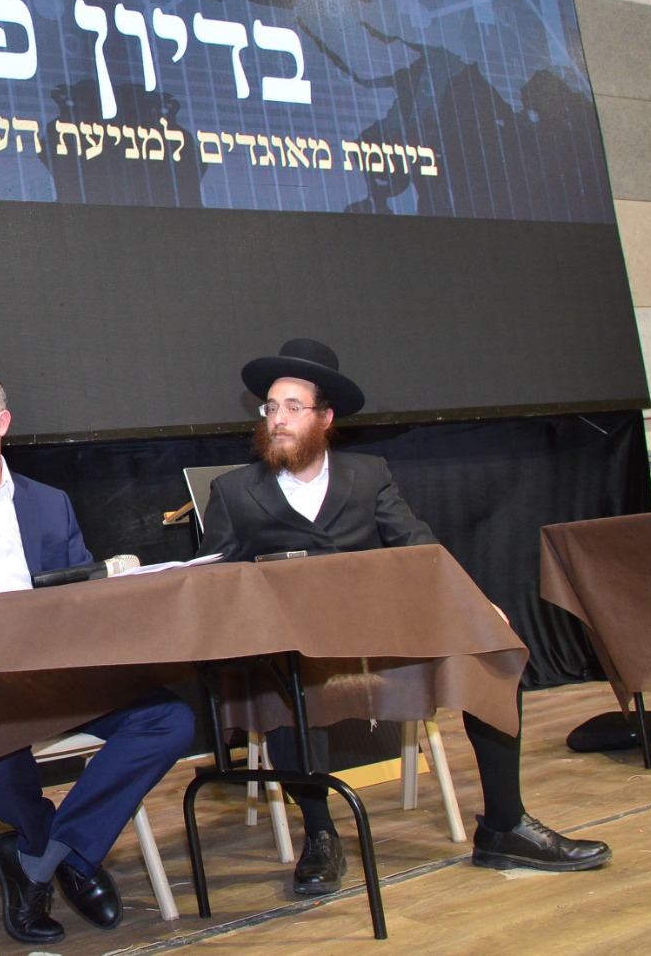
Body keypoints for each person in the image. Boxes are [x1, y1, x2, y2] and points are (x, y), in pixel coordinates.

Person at [197, 338, 611, 896]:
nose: (277, 419)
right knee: (284, 680)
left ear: (325, 418)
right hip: (294, 651)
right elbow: (215, 581)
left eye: (293, 407)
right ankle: (320, 835)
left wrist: (475, 604)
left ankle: (504, 826)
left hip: (379, 640)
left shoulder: (369, 475)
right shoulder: (234, 492)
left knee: (491, 650)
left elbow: (419, 548)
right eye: (270, 407)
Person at [0, 367, 194, 945]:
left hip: (60, 676)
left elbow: (82, 604)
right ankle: (61, 850)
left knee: (170, 719)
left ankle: (41, 859)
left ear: (2, 423)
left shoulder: (50, 504)